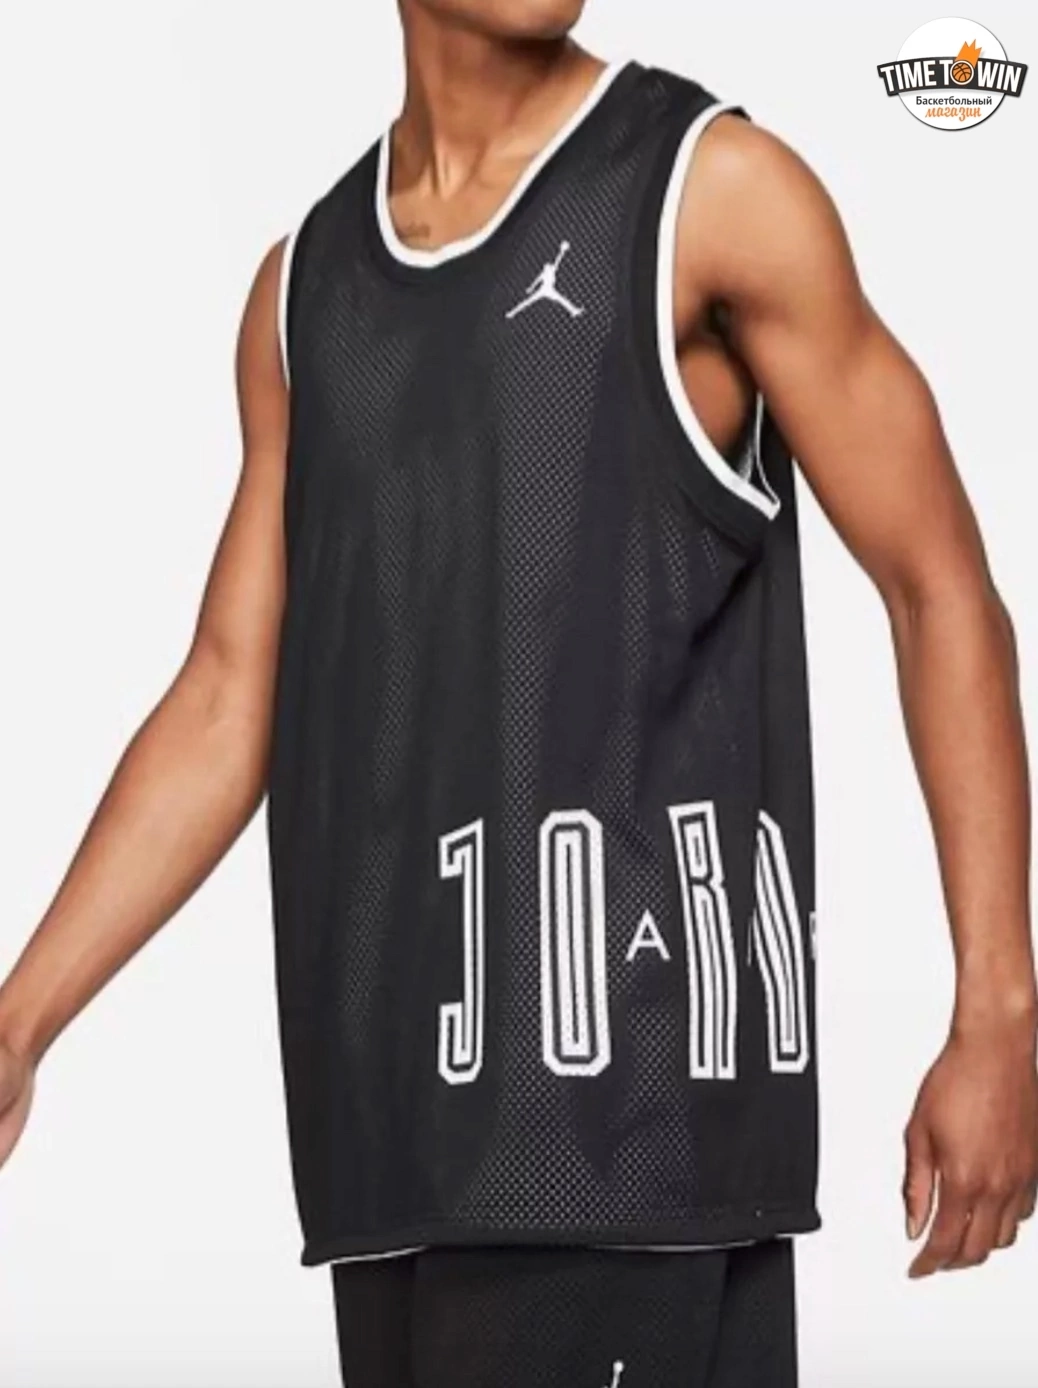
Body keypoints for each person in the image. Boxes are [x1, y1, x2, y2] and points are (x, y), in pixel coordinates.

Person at [2, 2, 1037, 1384]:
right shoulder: (305, 290)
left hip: (620, 1133)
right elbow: (230, 691)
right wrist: (20, 1022)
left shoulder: (710, 193)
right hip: (393, 1155)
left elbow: (938, 587)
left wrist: (998, 1013)